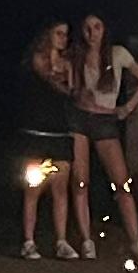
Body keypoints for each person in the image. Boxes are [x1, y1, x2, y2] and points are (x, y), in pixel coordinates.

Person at [73, 12, 138, 263]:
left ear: (104, 29)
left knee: (122, 183)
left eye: (96, 27)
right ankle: (87, 240)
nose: (92, 33)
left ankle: (136, 241)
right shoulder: (77, 55)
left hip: (105, 121)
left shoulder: (117, 53)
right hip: (81, 120)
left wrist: (127, 107)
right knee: (80, 182)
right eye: (87, 28)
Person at [18, 21, 87, 258]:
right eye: (58, 33)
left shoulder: (67, 63)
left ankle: (61, 241)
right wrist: (65, 84)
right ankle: (28, 241)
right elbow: (53, 82)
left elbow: (75, 89)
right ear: (47, 34)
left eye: (66, 35)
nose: (63, 38)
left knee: (60, 188)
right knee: (34, 187)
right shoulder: (38, 58)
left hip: (60, 131)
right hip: (37, 132)